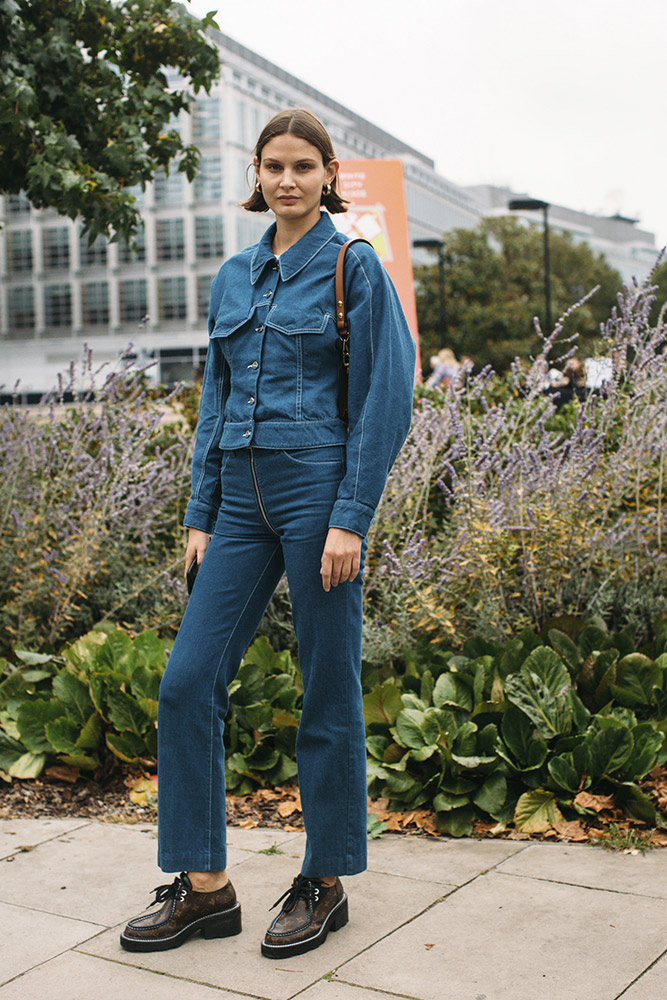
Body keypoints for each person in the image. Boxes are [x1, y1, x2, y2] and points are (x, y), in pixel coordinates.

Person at [120, 108, 416, 959]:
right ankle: (206, 889)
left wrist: (349, 518)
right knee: (186, 684)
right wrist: (200, 513)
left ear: (328, 175)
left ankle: (325, 881)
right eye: (273, 166)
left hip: (316, 492)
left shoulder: (352, 265)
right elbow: (214, 405)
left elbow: (384, 403)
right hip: (240, 504)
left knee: (326, 690)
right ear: (255, 174)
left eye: (303, 166)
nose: (287, 179)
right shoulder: (233, 276)